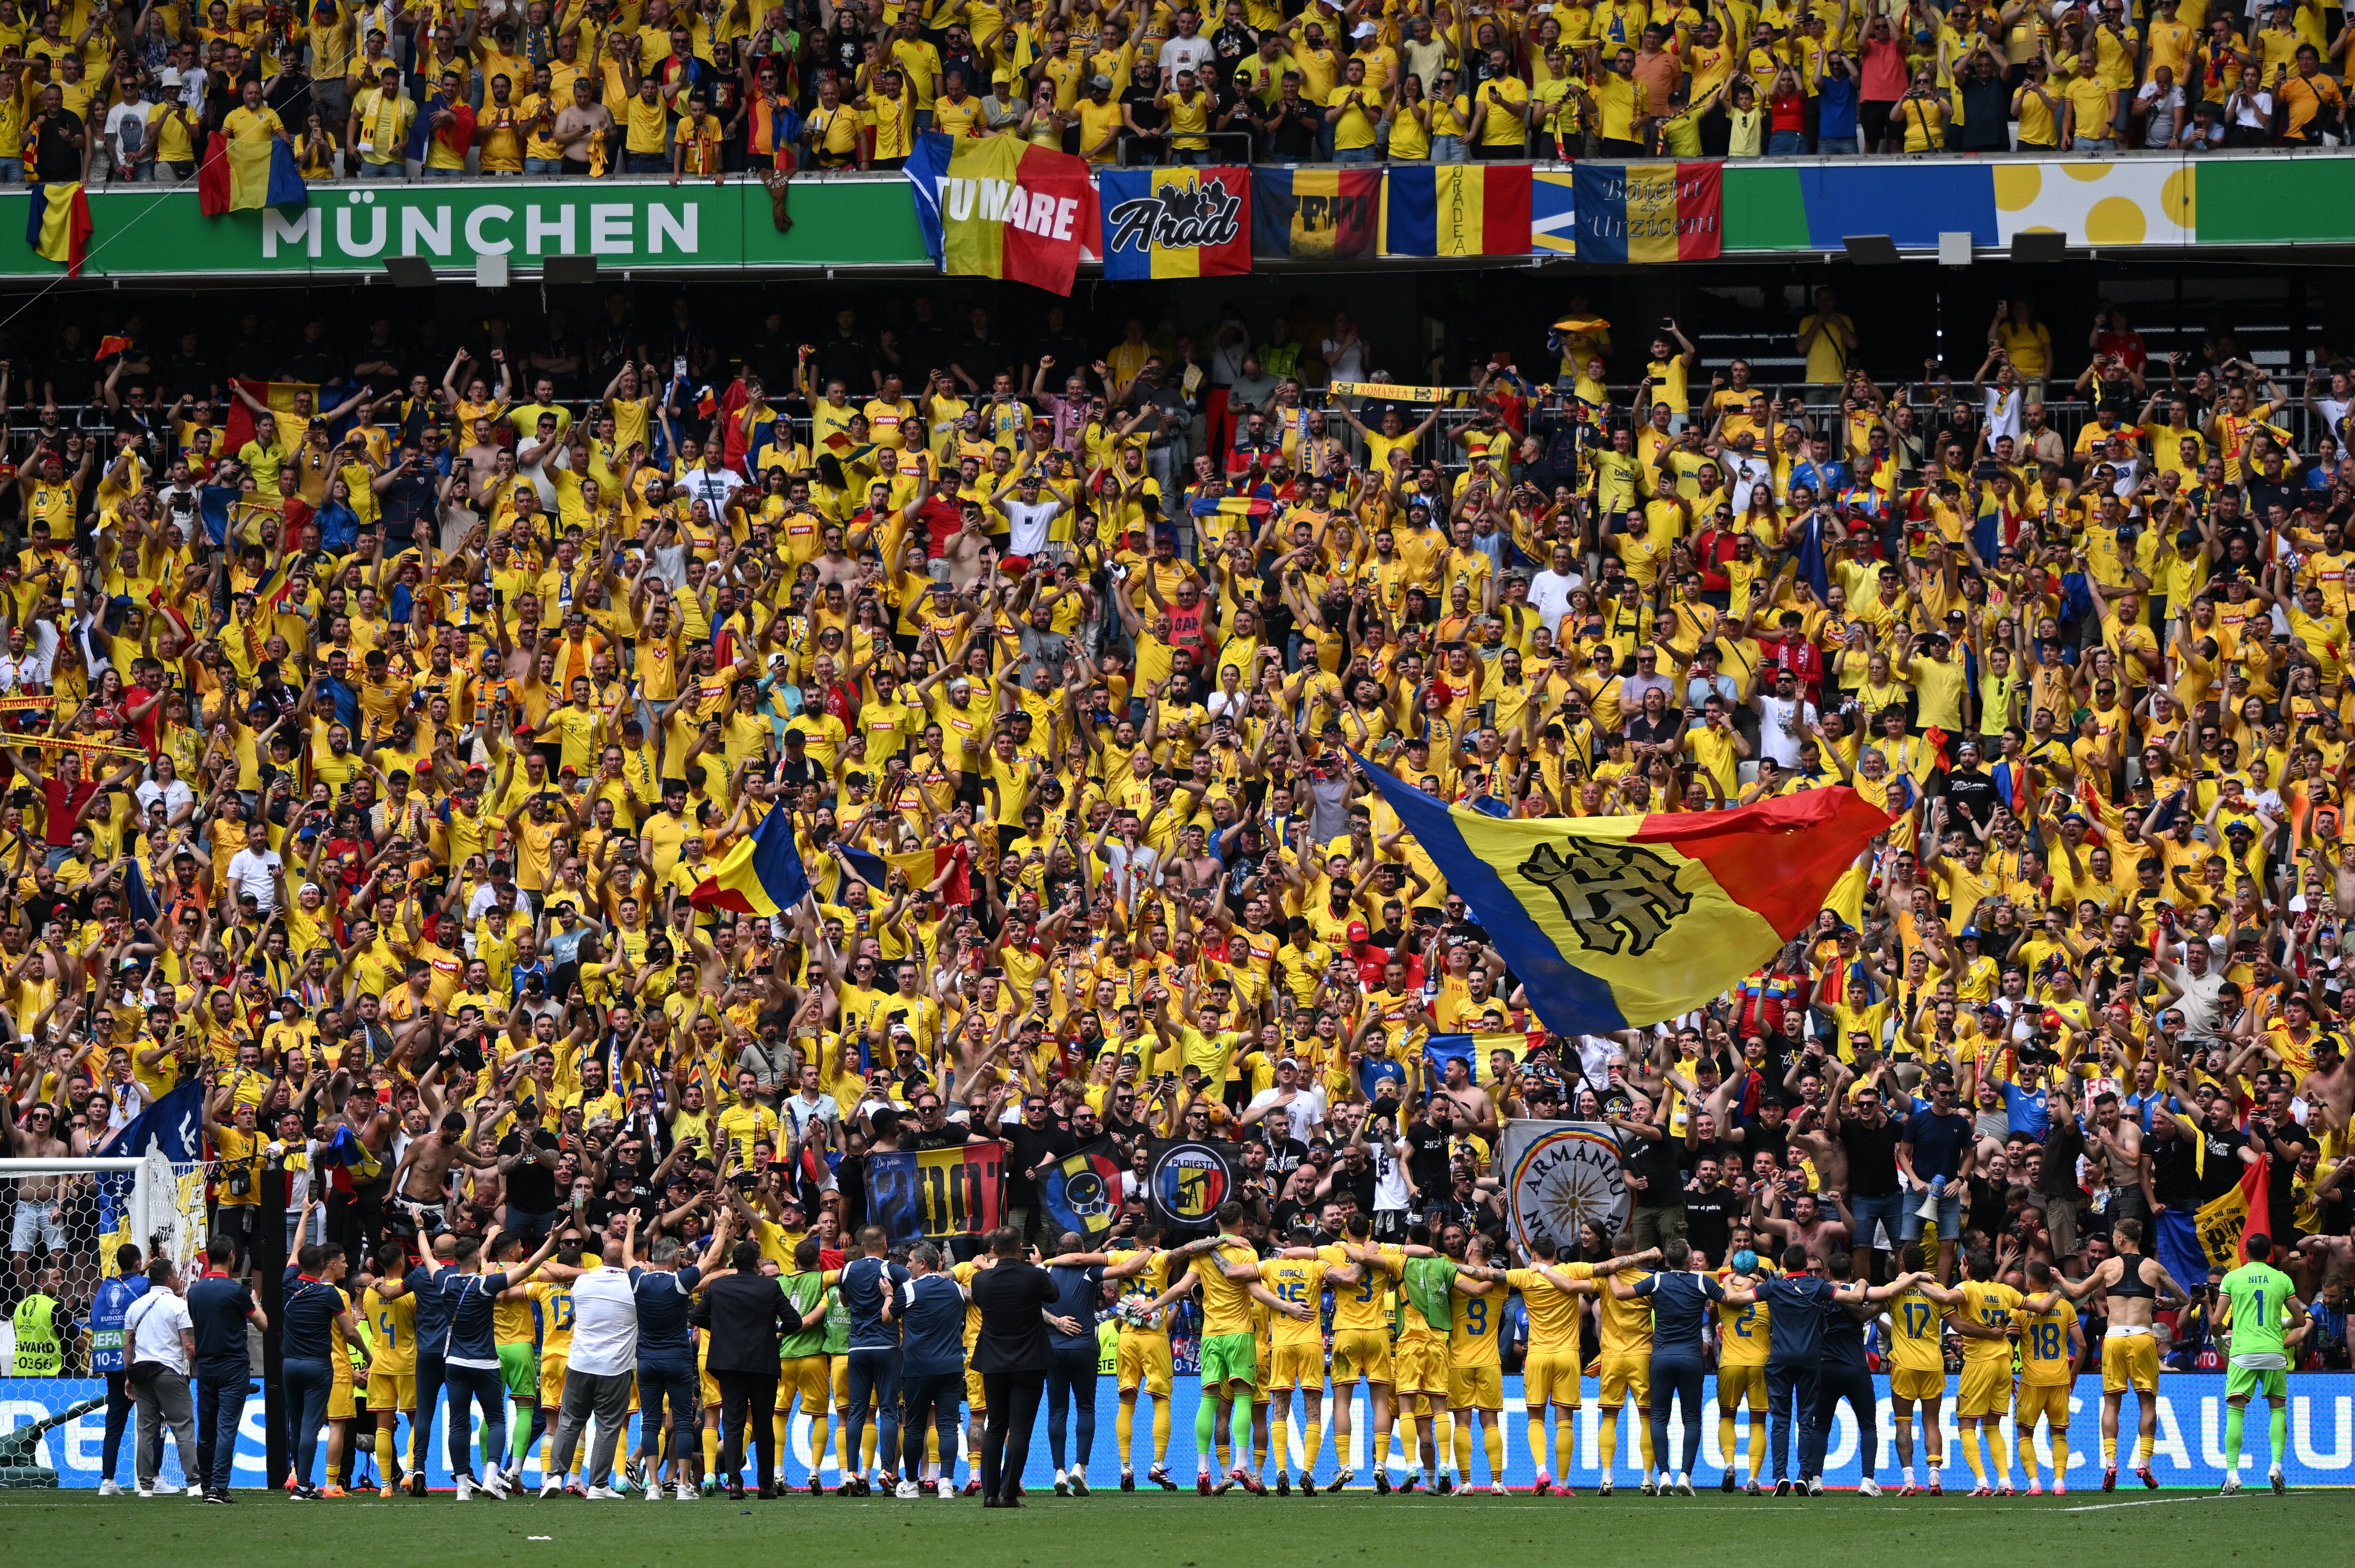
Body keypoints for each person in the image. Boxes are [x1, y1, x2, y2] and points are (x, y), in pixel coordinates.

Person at [2041, 1216, 2191, 1490]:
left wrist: (2059, 1277)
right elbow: (2184, 1299)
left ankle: (2111, 1462)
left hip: (2114, 1338)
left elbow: (2076, 1292)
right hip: (2143, 1338)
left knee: (2112, 1404)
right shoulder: (2154, 1267)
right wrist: (2165, 1302)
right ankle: (2144, 1462)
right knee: (2148, 1404)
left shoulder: (2108, 1266)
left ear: (2120, 1239)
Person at [692, 1237, 820, 1499]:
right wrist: (773, 1327)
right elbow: (794, 1323)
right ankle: (765, 1485)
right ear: (758, 1263)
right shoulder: (768, 1288)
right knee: (763, 1425)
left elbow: (695, 1317)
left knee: (733, 1424)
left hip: (728, 1364)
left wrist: (722, 1330)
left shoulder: (718, 1286)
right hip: (762, 1363)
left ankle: (735, 1484)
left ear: (733, 1263)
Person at [966, 1226, 1060, 1507]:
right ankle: (1008, 1494)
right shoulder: (1035, 1275)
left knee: (995, 1426)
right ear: (1022, 1247)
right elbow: (1054, 1295)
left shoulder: (982, 1280)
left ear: (993, 1251)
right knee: (1019, 1429)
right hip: (1030, 1360)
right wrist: (1040, 1265)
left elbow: (980, 1300)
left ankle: (990, 1495)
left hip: (994, 1361)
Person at [2215, 1233, 2310, 1493]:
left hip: (2242, 1353)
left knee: (2236, 1413)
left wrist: (2217, 1339)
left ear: (2246, 1252)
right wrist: (2285, 1323)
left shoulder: (2233, 1277)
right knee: (2277, 1411)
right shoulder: (2282, 1279)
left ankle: (2232, 1473)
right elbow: (2301, 1321)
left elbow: (2216, 1321)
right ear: (2269, 1254)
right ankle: (2276, 1466)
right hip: (2273, 1353)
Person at [186, 1232, 266, 1503]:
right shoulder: (236, 1291)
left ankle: (206, 1484)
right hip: (233, 1367)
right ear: (233, 1255)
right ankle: (218, 1488)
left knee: (206, 1430)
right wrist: (254, 1300)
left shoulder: (195, 1291)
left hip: (206, 1367)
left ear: (209, 1257)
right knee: (226, 1428)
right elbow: (264, 1324)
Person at [124, 1255, 201, 1499]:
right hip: (169, 1373)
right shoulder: (179, 1305)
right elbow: (189, 1346)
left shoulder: (136, 1306)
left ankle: (146, 1487)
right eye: (177, 1275)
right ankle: (195, 1484)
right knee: (183, 1428)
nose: (179, 1279)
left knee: (146, 1430)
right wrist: (196, 1369)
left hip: (142, 1373)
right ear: (169, 1279)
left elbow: (128, 1347)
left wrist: (129, 1377)